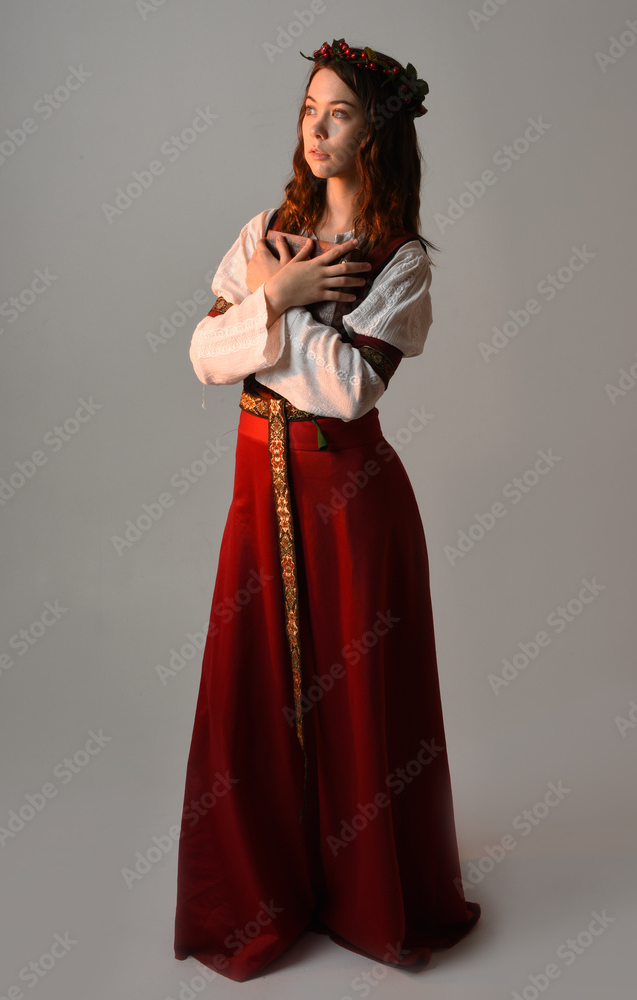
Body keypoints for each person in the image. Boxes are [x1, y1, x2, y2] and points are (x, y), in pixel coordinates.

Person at [173, 37, 481, 983]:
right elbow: (203, 355)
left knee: (353, 701)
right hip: (257, 496)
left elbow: (348, 390)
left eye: (339, 113)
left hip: (350, 508)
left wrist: (268, 311)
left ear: (375, 132)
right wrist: (282, 291)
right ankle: (269, 886)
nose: (317, 128)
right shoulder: (266, 231)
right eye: (310, 109)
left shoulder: (400, 262)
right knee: (254, 691)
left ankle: (363, 892)